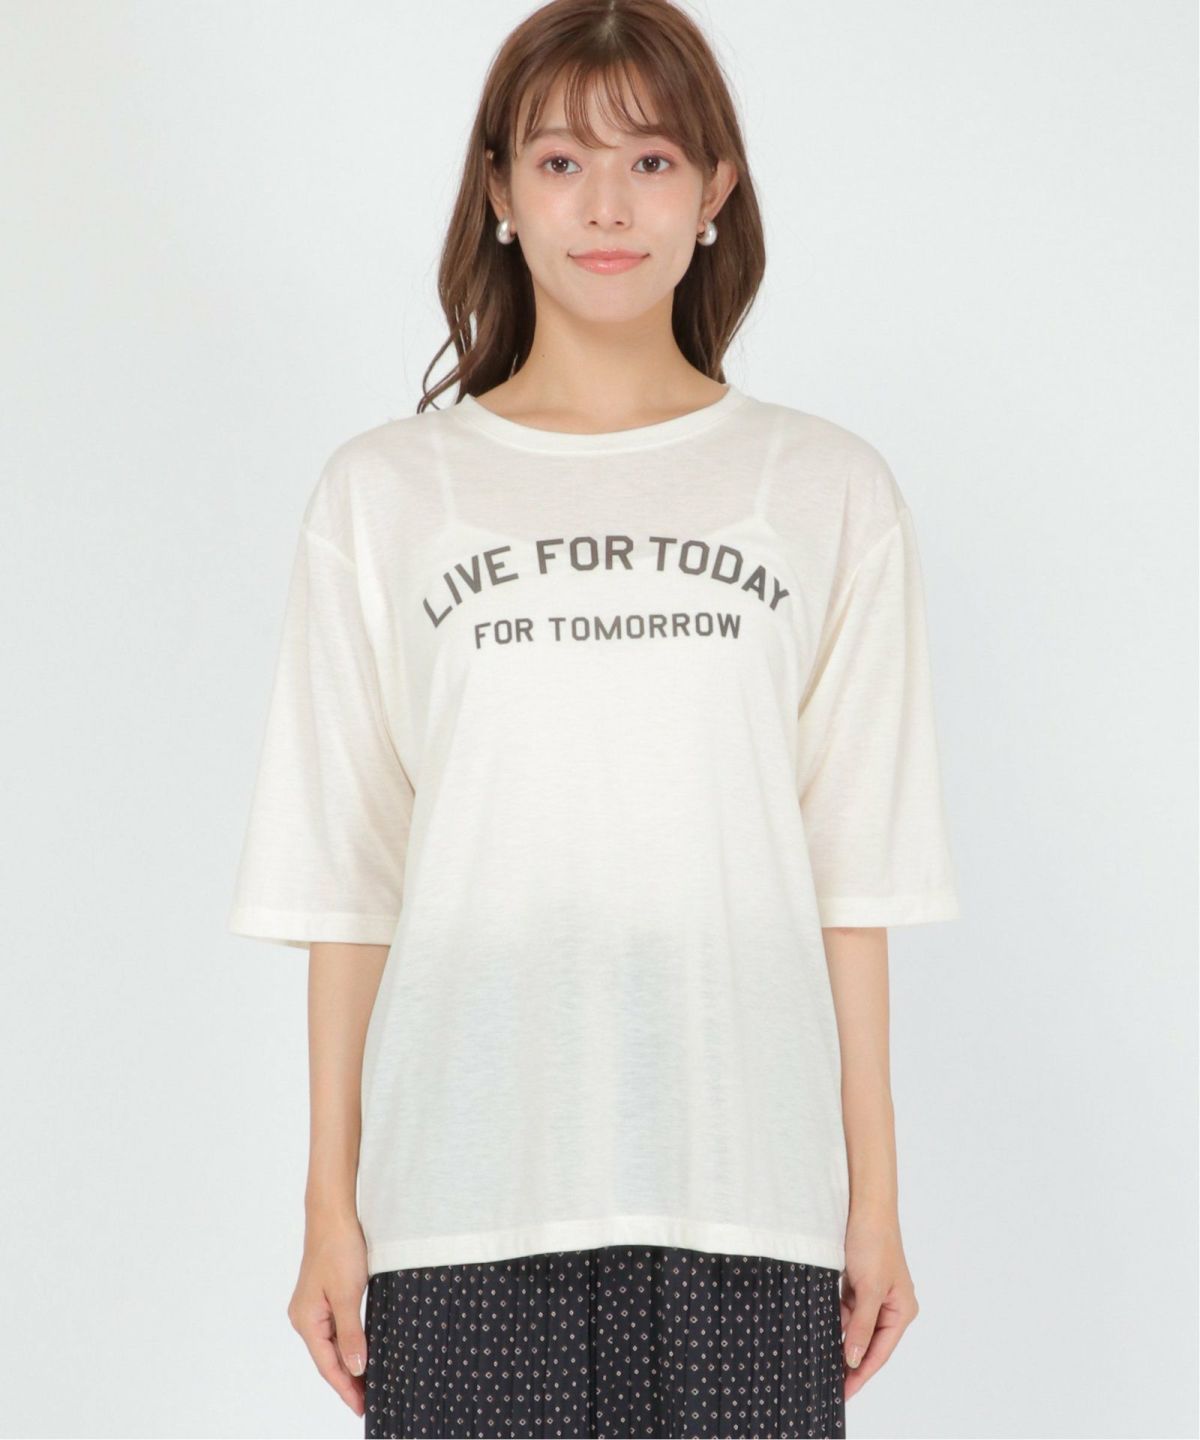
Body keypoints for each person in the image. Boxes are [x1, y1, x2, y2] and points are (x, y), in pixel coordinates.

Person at [228, 1, 962, 1436]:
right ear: (499, 192)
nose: (608, 207)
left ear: (716, 190)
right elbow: (348, 878)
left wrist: (873, 1201)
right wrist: (330, 1206)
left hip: (749, 1197)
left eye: (653, 161)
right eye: (562, 162)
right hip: (459, 1203)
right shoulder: (387, 496)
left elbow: (853, 873)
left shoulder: (824, 488)